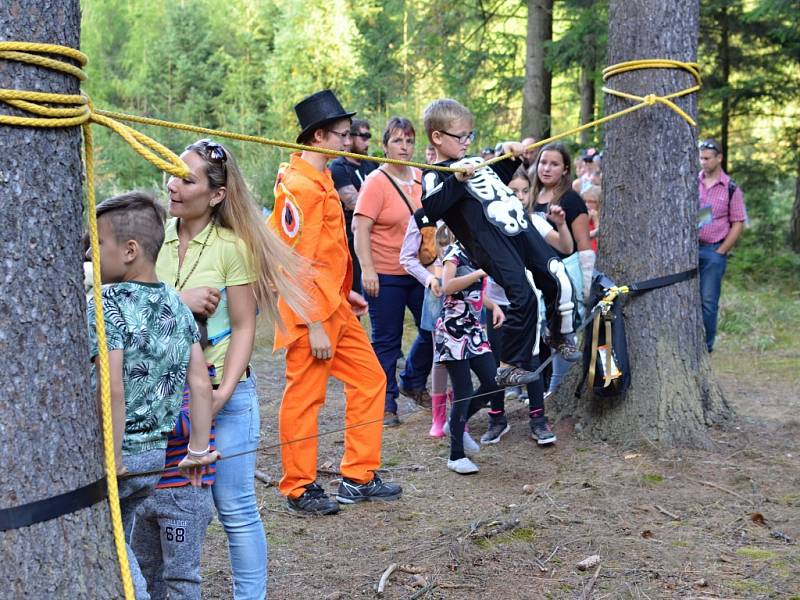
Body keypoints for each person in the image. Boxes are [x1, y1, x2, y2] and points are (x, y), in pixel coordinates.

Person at [157, 138, 306, 599]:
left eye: (187, 178)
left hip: (227, 395)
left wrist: (220, 397)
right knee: (166, 504)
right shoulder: (153, 237)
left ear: (217, 194)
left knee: (235, 507)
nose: (173, 185)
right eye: (171, 173)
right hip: (165, 400)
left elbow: (244, 327)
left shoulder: (231, 247)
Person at [269, 89, 402, 516]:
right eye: (342, 135)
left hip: (335, 306)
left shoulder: (321, 176)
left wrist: (344, 294)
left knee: (370, 379)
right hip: (310, 312)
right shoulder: (300, 186)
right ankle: (298, 487)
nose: (349, 142)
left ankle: (358, 476)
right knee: (305, 397)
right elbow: (292, 262)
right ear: (318, 137)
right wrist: (313, 322)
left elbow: (325, 251)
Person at [87, 192, 216, 600]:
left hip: (120, 457)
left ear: (129, 251)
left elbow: (113, 387)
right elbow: (199, 384)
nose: (90, 253)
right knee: (121, 541)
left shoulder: (106, 303)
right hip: (159, 459)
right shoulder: (176, 305)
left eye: (98, 244)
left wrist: (113, 455)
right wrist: (196, 450)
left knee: (113, 554)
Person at [420, 98, 580, 390]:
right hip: (491, 242)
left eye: (471, 135)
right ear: (438, 137)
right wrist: (455, 179)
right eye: (461, 136)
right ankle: (510, 364)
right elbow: (431, 207)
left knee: (557, 273)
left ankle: (559, 334)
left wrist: (512, 157)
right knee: (524, 294)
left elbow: (495, 181)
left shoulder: (474, 162)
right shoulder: (436, 174)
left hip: (519, 227)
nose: (468, 142)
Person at [353, 117, 431, 425]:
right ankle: (386, 403)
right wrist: (367, 270)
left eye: (409, 141)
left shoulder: (421, 178)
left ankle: (412, 377)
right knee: (387, 339)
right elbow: (360, 227)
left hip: (419, 272)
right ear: (385, 145)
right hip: (385, 273)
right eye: (398, 141)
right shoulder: (375, 181)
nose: (404, 146)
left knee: (433, 328)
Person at [132, 325, 218, 600]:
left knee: (180, 575)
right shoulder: (149, 379)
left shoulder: (201, 382)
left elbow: (185, 423)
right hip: (145, 494)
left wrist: (143, 415)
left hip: (183, 496)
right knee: (145, 571)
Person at [531, 142, 596, 395]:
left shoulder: (571, 200)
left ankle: (559, 390)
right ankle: (542, 386)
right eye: (543, 162)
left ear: (565, 169)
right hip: (536, 276)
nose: (546, 168)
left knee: (562, 332)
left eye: (554, 164)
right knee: (541, 332)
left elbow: (582, 244)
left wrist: (587, 283)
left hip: (564, 277)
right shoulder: (531, 197)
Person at [435, 239, 504, 474]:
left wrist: (493, 305)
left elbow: (472, 294)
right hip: (453, 330)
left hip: (474, 330)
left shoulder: (477, 252)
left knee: (493, 383)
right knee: (463, 391)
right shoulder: (453, 253)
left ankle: (456, 423)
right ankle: (455, 456)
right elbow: (448, 286)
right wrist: (479, 272)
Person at [399, 212, 451, 437]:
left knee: (466, 357)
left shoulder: (472, 207)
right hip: (437, 292)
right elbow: (408, 258)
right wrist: (429, 279)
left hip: (469, 290)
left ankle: (459, 414)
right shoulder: (421, 218)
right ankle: (439, 417)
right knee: (440, 356)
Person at [698, 138, 747, 352]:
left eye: (707, 158)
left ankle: (706, 347)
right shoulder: (691, 181)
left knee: (708, 302)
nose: (703, 162)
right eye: (701, 158)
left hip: (713, 250)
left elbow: (738, 222)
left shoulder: (731, 188)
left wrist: (721, 251)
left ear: (719, 158)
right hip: (687, 251)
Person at [330, 119, 377, 295]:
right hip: (351, 238)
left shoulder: (372, 164)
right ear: (349, 137)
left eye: (369, 136)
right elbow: (354, 204)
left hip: (377, 236)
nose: (367, 142)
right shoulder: (339, 167)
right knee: (354, 290)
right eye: (363, 136)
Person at [581, 184, 602, 253]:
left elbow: (602, 244)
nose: (586, 205)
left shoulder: (604, 218)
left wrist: (596, 220)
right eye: (585, 201)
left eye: (591, 201)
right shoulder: (582, 216)